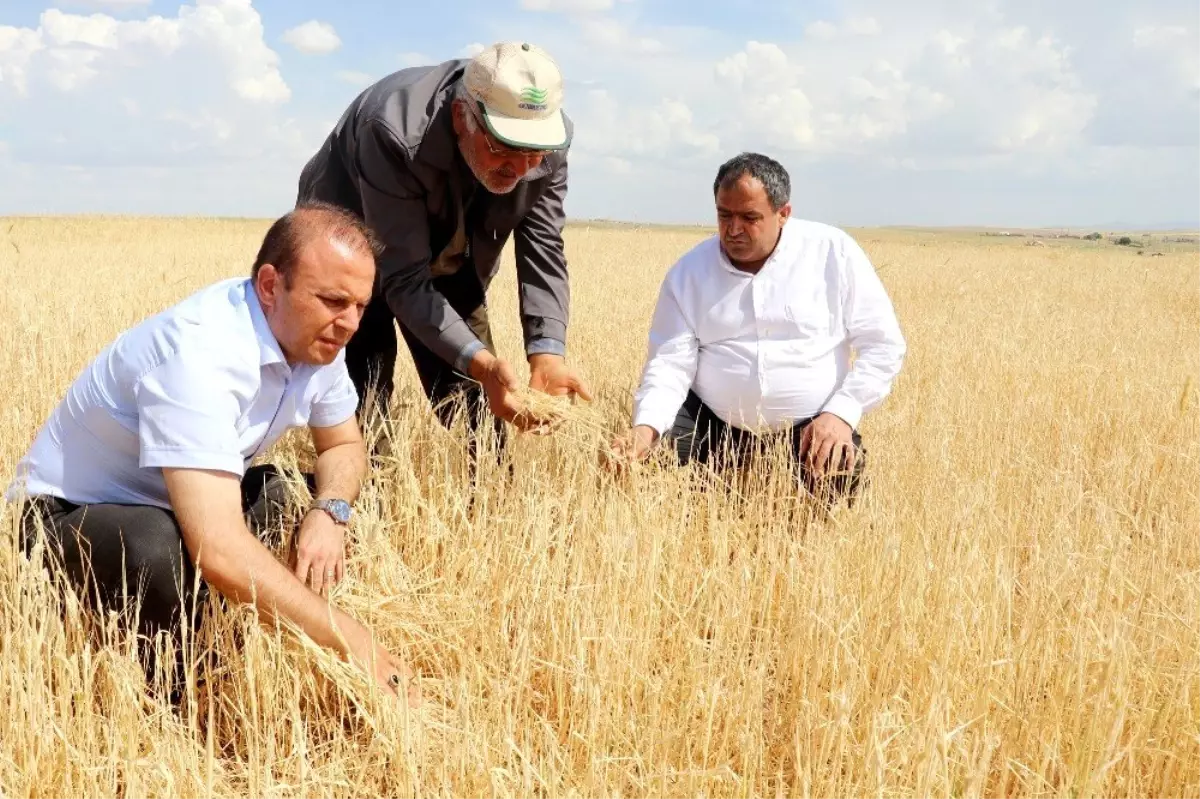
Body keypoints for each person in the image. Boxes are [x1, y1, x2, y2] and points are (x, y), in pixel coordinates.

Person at [8, 203, 418, 705]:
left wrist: (331, 510)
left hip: (178, 501)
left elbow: (344, 444)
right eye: (334, 300)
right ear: (271, 286)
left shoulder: (319, 339)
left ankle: (226, 633)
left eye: (360, 305)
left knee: (290, 493)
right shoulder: (199, 355)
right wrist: (351, 640)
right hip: (56, 521)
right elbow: (218, 548)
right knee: (154, 548)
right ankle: (168, 702)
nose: (351, 322)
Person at [296, 41, 592, 451]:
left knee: (480, 409)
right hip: (353, 243)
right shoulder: (394, 130)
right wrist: (477, 358)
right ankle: (364, 496)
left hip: (451, 247)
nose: (523, 169)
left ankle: (489, 495)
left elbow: (543, 250)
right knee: (364, 391)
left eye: (534, 154)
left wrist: (546, 355)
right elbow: (402, 276)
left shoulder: (548, 148)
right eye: (504, 148)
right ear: (461, 117)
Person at [610, 152, 907, 505]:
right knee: (651, 473)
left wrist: (841, 413)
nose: (733, 229)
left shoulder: (834, 253)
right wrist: (646, 429)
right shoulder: (688, 273)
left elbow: (883, 346)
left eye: (749, 218)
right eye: (724, 215)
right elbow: (670, 364)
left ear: (784, 214)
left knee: (838, 485)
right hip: (713, 420)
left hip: (813, 424)